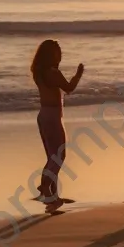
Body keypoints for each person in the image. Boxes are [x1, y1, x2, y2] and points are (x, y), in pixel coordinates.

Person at [30, 40, 84, 208]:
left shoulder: (39, 73)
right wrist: (78, 74)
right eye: (57, 52)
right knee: (59, 156)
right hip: (53, 116)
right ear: (50, 54)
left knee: (52, 158)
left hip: (43, 115)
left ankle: (52, 195)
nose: (60, 55)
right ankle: (45, 186)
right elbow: (69, 88)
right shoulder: (53, 73)